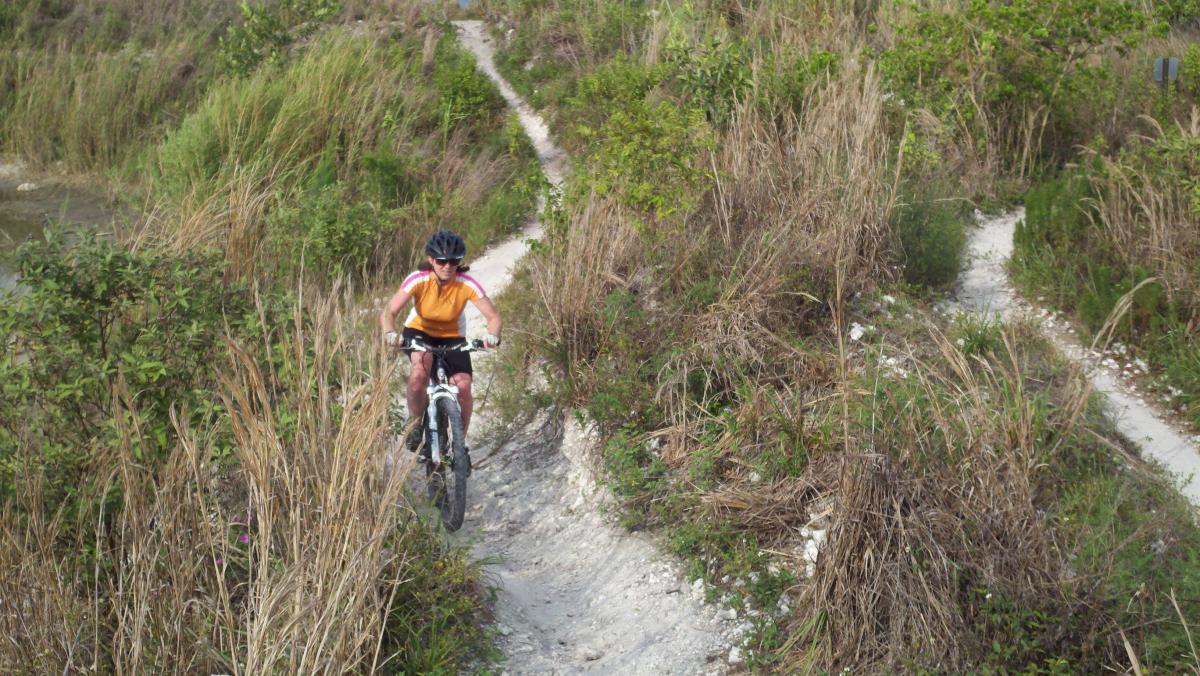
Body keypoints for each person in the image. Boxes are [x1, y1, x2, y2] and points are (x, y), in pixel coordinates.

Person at [380, 229, 502, 458]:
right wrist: (389, 332)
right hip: (419, 331)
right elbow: (389, 311)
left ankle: (459, 445)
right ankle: (415, 425)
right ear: (431, 260)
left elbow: (493, 317)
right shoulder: (418, 279)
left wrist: (492, 335)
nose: (447, 266)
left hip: (452, 335)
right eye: (442, 261)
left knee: (463, 385)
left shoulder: (467, 283)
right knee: (420, 369)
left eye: (454, 261)